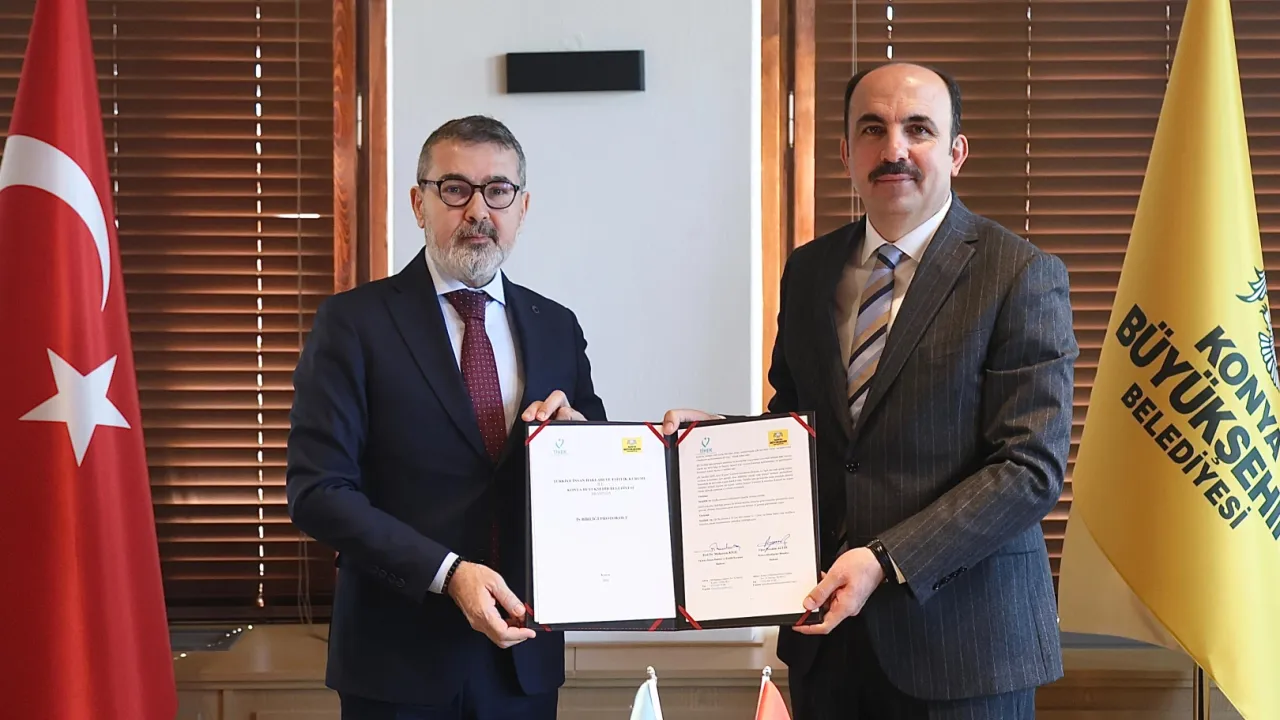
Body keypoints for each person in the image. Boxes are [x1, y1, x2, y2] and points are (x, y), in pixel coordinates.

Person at [663, 62, 1077, 718]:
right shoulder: (809, 270)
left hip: (965, 651)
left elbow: (1029, 469)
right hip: (828, 643)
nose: (894, 149)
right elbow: (801, 425)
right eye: (873, 129)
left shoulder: (1020, 274)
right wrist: (719, 442)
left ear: (956, 152)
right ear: (846, 153)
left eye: (918, 129)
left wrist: (886, 560)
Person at [286, 115, 602, 720]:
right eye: (455, 189)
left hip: (523, 661)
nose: (478, 210)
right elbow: (317, 492)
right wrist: (449, 574)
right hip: (397, 665)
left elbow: (594, 475)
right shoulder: (352, 324)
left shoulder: (557, 327)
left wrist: (580, 445)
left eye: (498, 190)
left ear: (522, 207)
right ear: (419, 203)